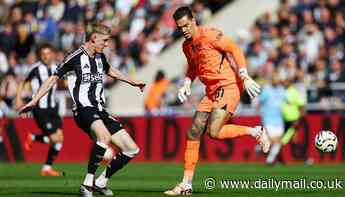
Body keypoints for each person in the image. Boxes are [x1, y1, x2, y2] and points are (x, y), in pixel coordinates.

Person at [18, 23, 146, 197]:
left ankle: (101, 182)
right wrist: (34, 100)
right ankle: (87, 184)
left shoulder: (100, 57)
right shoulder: (75, 57)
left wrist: (132, 81)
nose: (107, 44)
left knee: (132, 149)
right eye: (105, 40)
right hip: (83, 109)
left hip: (101, 110)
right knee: (104, 136)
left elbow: (110, 71)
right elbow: (52, 79)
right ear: (93, 38)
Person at [164, 7, 270, 195]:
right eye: (180, 28)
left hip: (228, 86)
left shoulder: (210, 35)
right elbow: (193, 67)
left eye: (186, 25)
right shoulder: (186, 46)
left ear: (194, 20)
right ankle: (186, 185)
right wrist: (187, 83)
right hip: (211, 91)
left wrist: (244, 75)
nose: (184, 30)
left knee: (213, 131)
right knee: (194, 131)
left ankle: (255, 131)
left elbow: (234, 48)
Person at [15, 44, 64, 176]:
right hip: (40, 109)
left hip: (53, 107)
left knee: (60, 138)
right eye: (43, 54)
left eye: (48, 53)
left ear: (52, 54)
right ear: (40, 55)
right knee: (54, 139)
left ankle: (47, 168)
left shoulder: (57, 67)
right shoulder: (35, 68)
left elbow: (64, 80)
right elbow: (22, 82)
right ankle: (34, 137)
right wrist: (18, 98)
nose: (46, 56)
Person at [257, 72, 285, 165]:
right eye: (275, 78)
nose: (276, 80)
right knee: (275, 140)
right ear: (272, 79)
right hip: (268, 119)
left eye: (277, 78)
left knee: (278, 141)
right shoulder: (266, 90)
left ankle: (261, 150)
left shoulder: (281, 90)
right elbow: (259, 103)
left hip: (279, 119)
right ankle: (270, 159)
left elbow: (287, 100)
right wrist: (260, 114)